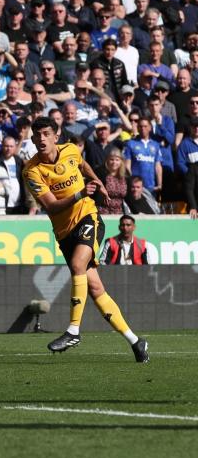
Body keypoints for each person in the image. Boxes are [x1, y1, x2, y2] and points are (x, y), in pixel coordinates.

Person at [23, 117, 149, 362]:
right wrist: (80, 192)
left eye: (46, 134)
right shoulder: (32, 171)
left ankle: (73, 330)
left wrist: (97, 181)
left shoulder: (70, 149)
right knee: (95, 288)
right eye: (37, 135)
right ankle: (136, 340)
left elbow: (82, 165)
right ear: (32, 138)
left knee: (79, 266)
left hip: (88, 217)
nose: (41, 139)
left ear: (56, 135)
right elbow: (51, 206)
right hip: (64, 232)